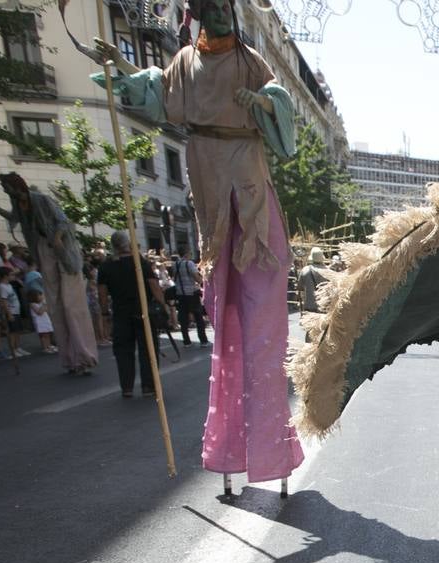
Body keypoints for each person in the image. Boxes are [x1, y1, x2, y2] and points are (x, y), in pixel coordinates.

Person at [95, 0, 305, 485]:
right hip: (210, 190)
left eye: (224, 8)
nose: (220, 17)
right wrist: (117, 65)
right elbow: (158, 95)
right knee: (226, 329)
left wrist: (267, 104)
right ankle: (232, 454)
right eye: (210, 8)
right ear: (198, 13)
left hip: (248, 189)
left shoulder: (252, 62)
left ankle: (272, 453)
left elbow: (283, 124)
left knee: (263, 333)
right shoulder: (184, 62)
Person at [0, 173, 98, 375]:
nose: (6, 191)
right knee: (56, 307)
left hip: (62, 251)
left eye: (7, 187)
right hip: (43, 248)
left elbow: (63, 221)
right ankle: (70, 358)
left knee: (71, 306)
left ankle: (84, 355)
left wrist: (58, 239)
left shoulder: (41, 199)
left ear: (18, 186)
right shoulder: (20, 205)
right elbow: (14, 218)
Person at [98, 231, 171, 398]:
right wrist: (163, 306)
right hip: (143, 312)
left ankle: (127, 387)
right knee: (148, 350)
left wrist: (104, 311)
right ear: (127, 244)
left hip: (121, 313)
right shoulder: (140, 263)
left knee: (123, 351)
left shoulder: (106, 266)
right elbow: (154, 286)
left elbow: (102, 293)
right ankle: (148, 386)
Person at [170, 252, 208, 347]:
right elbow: (196, 277)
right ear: (187, 254)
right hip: (192, 293)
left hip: (180, 293)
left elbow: (174, 277)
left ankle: (186, 341)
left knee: (183, 318)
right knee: (198, 317)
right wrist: (202, 282)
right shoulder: (189, 263)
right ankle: (203, 340)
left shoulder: (175, 264)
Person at [0, 267, 29, 359]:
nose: (13, 276)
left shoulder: (9, 285)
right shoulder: (2, 287)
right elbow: (4, 301)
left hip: (16, 310)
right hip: (11, 311)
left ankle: (17, 347)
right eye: (11, 275)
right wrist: (9, 313)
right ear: (5, 276)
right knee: (12, 331)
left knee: (17, 330)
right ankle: (13, 349)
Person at [295, 246, 329, 314]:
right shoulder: (328, 272)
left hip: (310, 306)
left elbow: (300, 287)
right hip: (324, 307)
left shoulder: (305, 270)